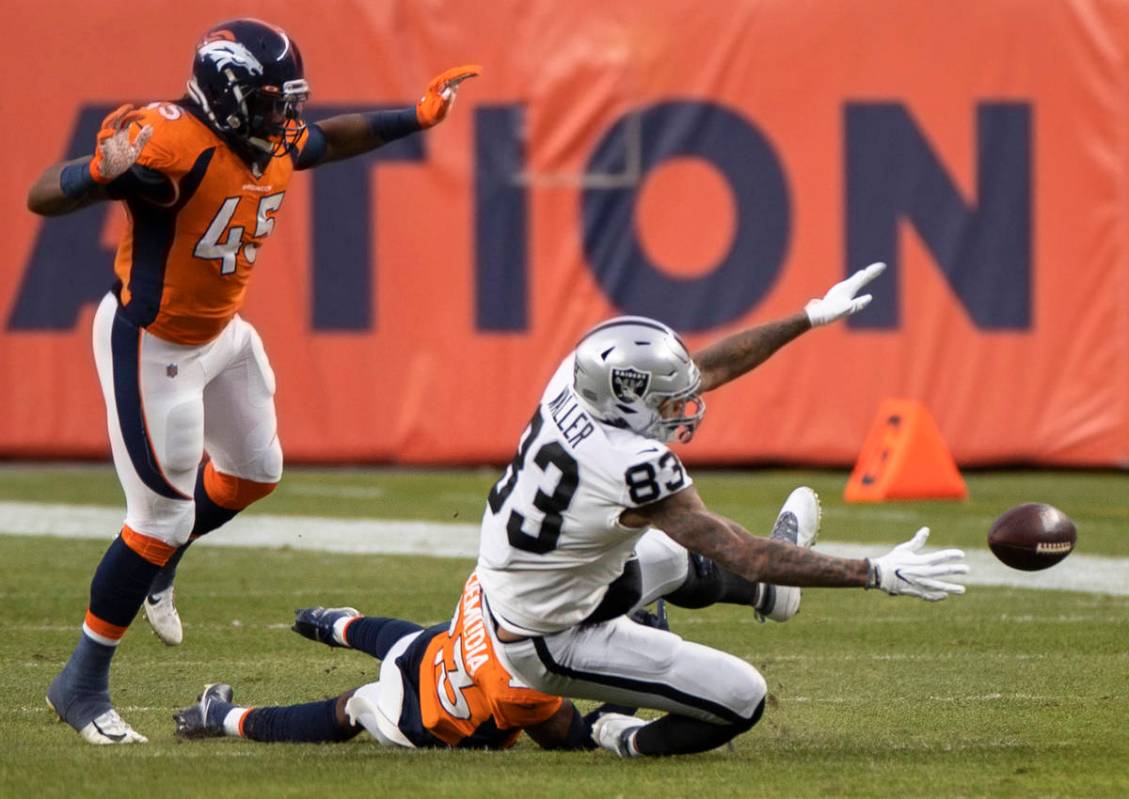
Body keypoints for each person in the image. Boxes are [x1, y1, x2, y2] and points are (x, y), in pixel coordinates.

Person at [26, 17, 479, 744]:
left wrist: (415, 118)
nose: (286, 118)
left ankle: (162, 563)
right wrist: (97, 172)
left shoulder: (267, 137)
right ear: (229, 97)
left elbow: (331, 139)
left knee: (254, 471)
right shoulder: (171, 140)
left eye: (287, 101)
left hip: (222, 334)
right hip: (153, 345)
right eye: (273, 103)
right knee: (158, 517)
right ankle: (79, 681)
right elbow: (43, 195)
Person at [470, 262, 970, 757]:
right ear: (623, 404)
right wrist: (874, 572)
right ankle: (624, 736)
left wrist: (809, 317)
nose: (681, 406)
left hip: (543, 586)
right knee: (742, 696)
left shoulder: (573, 385)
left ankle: (771, 594)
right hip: (548, 637)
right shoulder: (627, 464)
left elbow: (705, 369)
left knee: (674, 552)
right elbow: (744, 552)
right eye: (665, 402)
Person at [172, 577, 667, 750]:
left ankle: (338, 627)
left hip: (437, 679)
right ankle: (226, 718)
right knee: (355, 706)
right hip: (426, 714)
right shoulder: (525, 685)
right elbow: (572, 739)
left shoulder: (497, 586)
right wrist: (634, 691)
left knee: (417, 642)